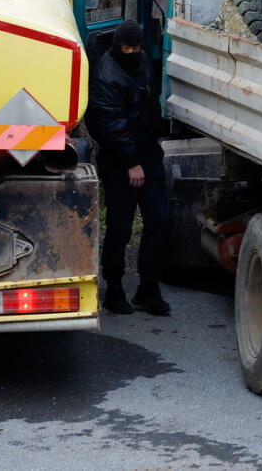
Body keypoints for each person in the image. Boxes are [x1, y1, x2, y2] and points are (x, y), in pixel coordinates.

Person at [86, 19, 170, 315]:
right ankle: (115, 288)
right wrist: (132, 162)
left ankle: (149, 287)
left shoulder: (143, 61)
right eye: (127, 47)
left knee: (158, 220)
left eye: (136, 47)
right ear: (117, 46)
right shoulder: (106, 75)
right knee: (120, 226)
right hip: (120, 161)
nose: (132, 51)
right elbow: (109, 125)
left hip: (148, 152)